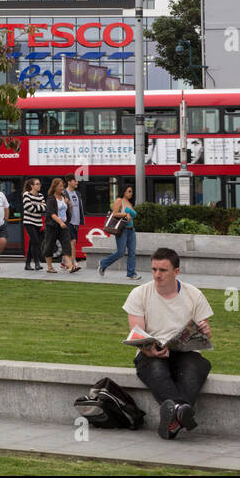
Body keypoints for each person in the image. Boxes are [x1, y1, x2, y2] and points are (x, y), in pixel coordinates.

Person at [124, 248, 213, 439]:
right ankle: (181, 412)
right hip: (151, 352)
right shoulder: (139, 293)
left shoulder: (194, 294)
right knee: (156, 369)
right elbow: (137, 333)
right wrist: (148, 350)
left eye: (163, 270)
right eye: (154, 269)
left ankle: (174, 416)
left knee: (194, 368)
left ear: (176, 272)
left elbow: (206, 330)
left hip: (185, 352)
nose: (157, 275)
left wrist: (205, 330)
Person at [99, 185, 140, 280]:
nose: (131, 193)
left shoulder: (129, 202)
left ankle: (131, 273)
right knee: (121, 252)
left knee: (132, 252)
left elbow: (133, 215)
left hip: (131, 230)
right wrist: (125, 214)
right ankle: (103, 263)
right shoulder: (119, 200)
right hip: (123, 230)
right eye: (129, 191)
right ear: (124, 191)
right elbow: (115, 213)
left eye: (131, 191)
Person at [45, 178, 80, 273]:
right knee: (49, 245)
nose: (62, 188)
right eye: (60, 186)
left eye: (62, 186)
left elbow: (68, 210)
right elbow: (52, 214)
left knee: (67, 245)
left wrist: (68, 204)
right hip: (53, 226)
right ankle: (49, 267)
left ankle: (70, 266)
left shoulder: (63, 197)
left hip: (64, 225)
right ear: (55, 187)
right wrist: (60, 222)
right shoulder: (51, 199)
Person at [20, 178, 45, 271]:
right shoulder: (26, 195)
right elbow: (28, 207)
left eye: (39, 184)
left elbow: (44, 208)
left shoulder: (41, 195)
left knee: (32, 243)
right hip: (29, 222)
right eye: (37, 184)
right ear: (32, 186)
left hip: (38, 223)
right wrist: (39, 207)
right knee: (36, 242)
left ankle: (27, 264)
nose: (40, 185)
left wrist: (35, 207)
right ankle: (37, 263)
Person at [65, 176, 86, 269]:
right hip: (68, 221)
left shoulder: (77, 193)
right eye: (75, 181)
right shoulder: (64, 193)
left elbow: (79, 207)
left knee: (73, 242)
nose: (77, 182)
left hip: (76, 221)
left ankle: (64, 262)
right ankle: (73, 263)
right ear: (69, 182)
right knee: (72, 242)